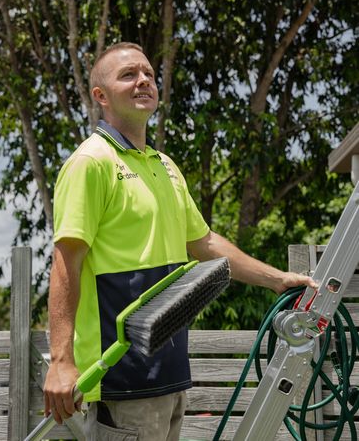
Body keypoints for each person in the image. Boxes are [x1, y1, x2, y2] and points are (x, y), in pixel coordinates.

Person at [43, 42, 317, 441]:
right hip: (122, 377)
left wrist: (275, 279)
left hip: (170, 374)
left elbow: (204, 242)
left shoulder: (165, 166)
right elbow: (65, 261)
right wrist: (62, 362)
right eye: (128, 75)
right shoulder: (91, 162)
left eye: (149, 75)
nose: (143, 81)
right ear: (100, 96)